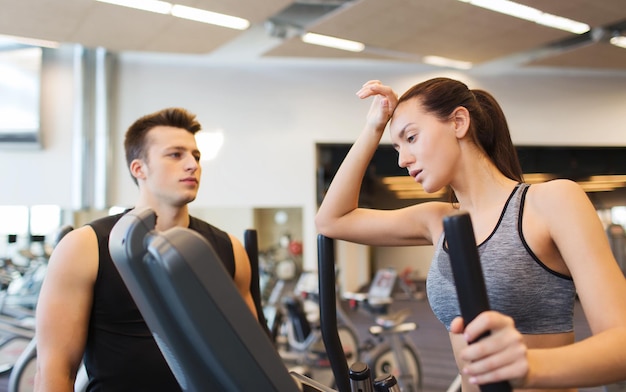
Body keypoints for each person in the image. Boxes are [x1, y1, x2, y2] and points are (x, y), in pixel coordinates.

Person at [315, 78, 626, 391]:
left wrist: (526, 366)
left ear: (459, 122)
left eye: (411, 137)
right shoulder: (438, 221)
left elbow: (622, 343)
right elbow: (332, 220)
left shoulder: (550, 202)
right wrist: (373, 128)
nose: (402, 160)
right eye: (396, 147)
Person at [35, 107, 258, 391]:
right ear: (139, 168)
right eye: (176, 154)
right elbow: (55, 371)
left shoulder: (229, 249)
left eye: (196, 156)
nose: (193, 164)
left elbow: (250, 358)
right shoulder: (85, 246)